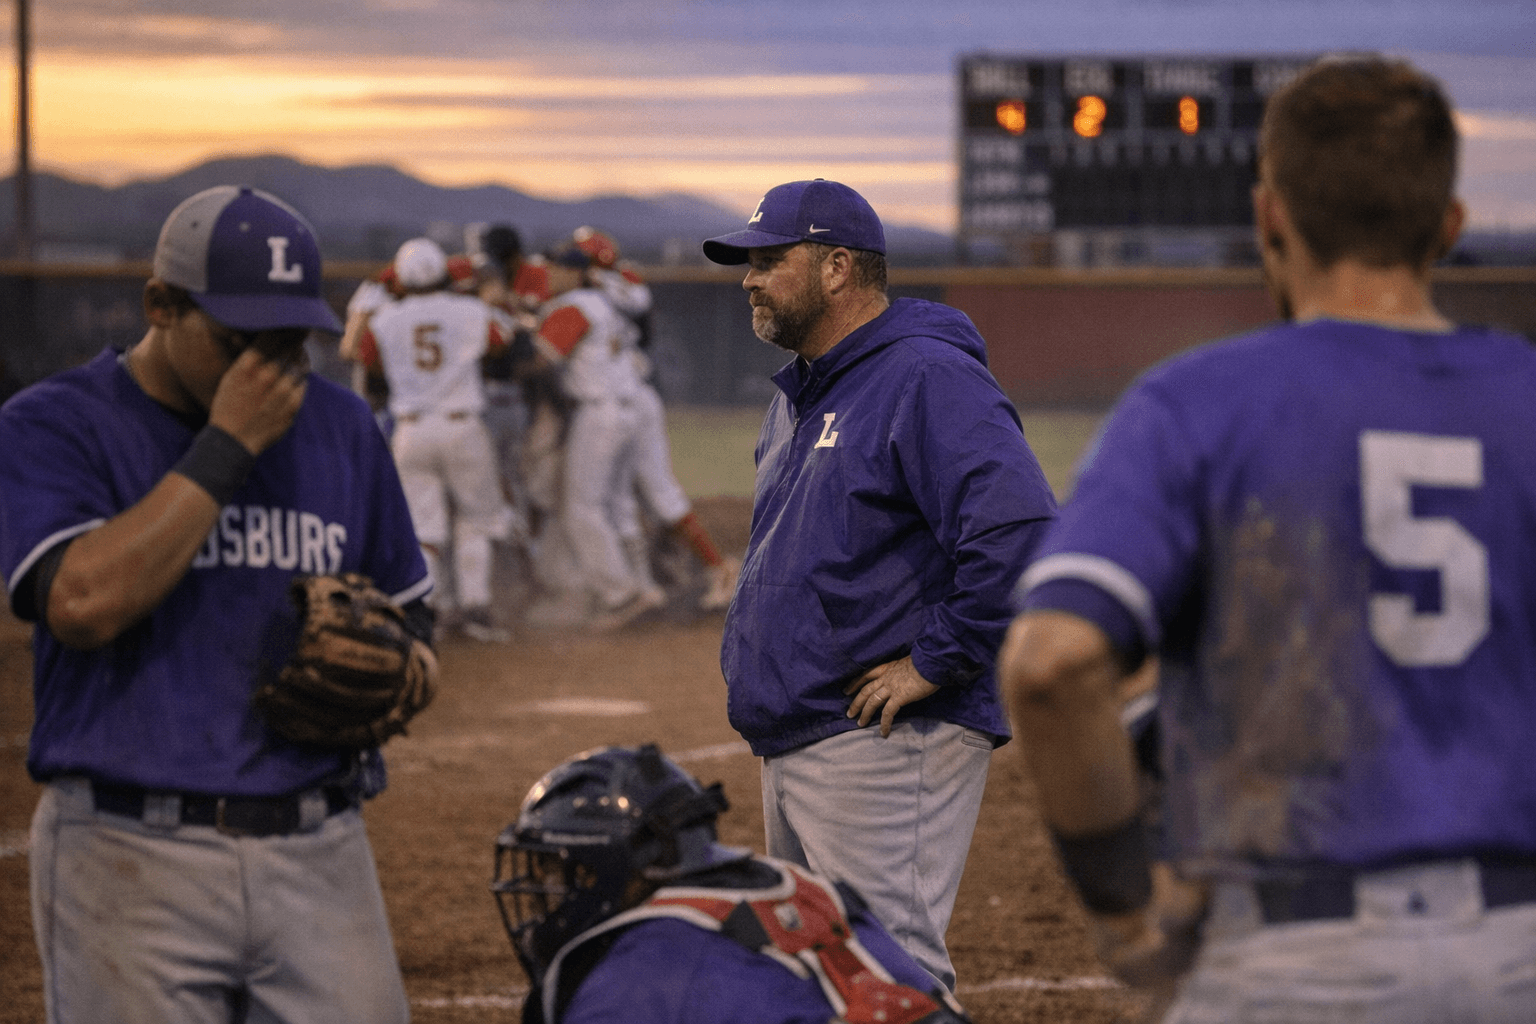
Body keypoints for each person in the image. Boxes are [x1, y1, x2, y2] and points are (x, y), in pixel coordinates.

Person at [999, 57, 1536, 1024]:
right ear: (1448, 227)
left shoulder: (1198, 402)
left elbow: (1051, 666)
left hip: (1295, 957)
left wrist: (1124, 912)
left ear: (1271, 218)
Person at [0, 185, 433, 1024]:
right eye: (241, 342)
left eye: (288, 341)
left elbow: (412, 618)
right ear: (159, 305)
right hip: (130, 854)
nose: (270, 369)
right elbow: (82, 602)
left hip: (320, 848)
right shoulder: (54, 426)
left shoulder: (343, 427)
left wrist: (406, 671)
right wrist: (228, 446)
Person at [702, 179, 1058, 991]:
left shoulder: (926, 375)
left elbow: (1020, 533)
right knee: (820, 981)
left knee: (886, 977)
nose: (749, 278)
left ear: (836, 268)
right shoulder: (805, 391)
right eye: (746, 263)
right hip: (803, 730)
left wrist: (935, 662)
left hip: (888, 738)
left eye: (768, 260)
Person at [492, 742, 972, 1024]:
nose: (545, 895)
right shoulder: (805, 891)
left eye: (558, 873)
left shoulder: (636, 974)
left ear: (622, 867)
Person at [572, 225, 740, 613]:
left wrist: (595, 277)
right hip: (631, 393)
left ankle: (717, 569)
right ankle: (644, 586)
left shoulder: (608, 288)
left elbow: (636, 303)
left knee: (653, 492)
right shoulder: (618, 287)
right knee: (622, 498)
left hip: (630, 396)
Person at [357, 237, 516, 642]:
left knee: (425, 529)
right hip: (462, 423)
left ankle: (428, 613)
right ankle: (476, 611)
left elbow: (365, 356)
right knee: (476, 520)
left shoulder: (384, 318)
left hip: (410, 428)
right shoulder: (469, 309)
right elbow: (502, 341)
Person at [528, 244, 666, 630]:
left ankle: (620, 594)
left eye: (557, 268)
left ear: (575, 273)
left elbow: (541, 360)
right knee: (610, 504)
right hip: (625, 410)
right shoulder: (602, 302)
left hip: (599, 412)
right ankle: (643, 587)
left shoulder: (572, 306)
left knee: (581, 508)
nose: (550, 273)